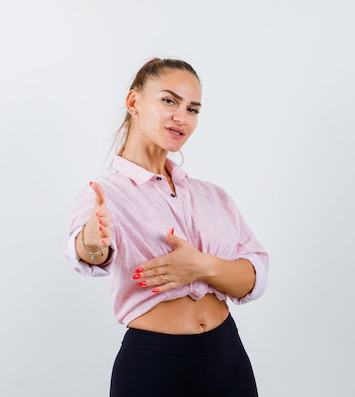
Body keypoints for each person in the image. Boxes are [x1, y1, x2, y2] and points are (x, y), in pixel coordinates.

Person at [64, 58, 269, 397]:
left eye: (193, 109)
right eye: (169, 101)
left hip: (227, 356)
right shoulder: (103, 194)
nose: (182, 117)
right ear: (134, 103)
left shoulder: (212, 196)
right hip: (154, 366)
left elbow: (254, 278)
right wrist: (92, 240)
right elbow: (87, 254)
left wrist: (201, 266)